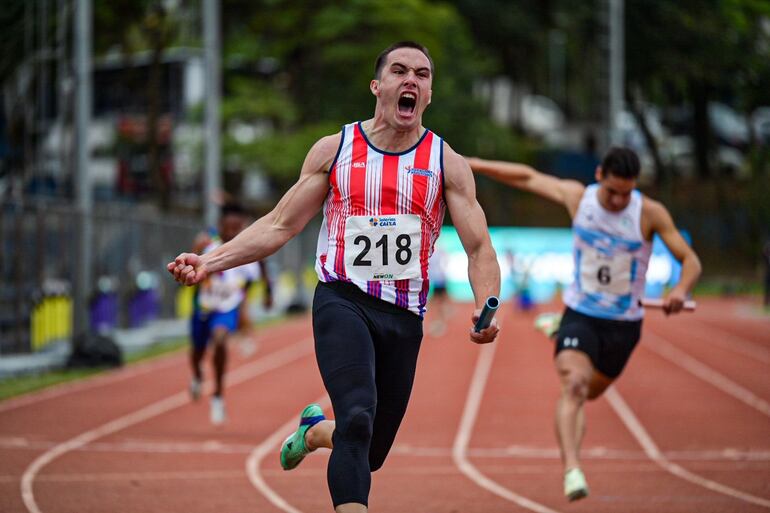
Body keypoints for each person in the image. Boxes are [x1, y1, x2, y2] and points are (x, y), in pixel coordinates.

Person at [169, 41, 500, 512]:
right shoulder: (335, 150)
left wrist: (487, 304)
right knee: (358, 419)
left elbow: (479, 247)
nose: (411, 80)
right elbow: (280, 225)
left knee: (371, 450)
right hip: (342, 300)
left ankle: (313, 433)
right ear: (377, 86)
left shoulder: (446, 163)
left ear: (429, 94)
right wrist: (210, 262)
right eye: (400, 71)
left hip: (404, 315)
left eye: (422, 74)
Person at [467, 148, 702, 502]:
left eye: (627, 193)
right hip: (582, 313)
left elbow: (690, 260)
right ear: (599, 176)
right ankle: (572, 470)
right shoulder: (580, 198)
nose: (619, 201)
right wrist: (474, 164)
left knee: (590, 391)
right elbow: (527, 177)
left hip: (623, 325)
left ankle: (558, 330)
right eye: (612, 192)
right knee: (574, 386)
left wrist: (681, 290)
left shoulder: (649, 213)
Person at [188, 202, 272, 425]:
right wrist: (196, 249)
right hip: (204, 306)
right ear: (221, 226)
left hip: (227, 307)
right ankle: (197, 375)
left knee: (220, 340)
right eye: (229, 227)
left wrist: (264, 294)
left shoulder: (245, 252)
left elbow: (257, 272)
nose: (233, 232)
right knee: (197, 352)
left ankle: (217, 395)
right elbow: (192, 269)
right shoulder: (208, 246)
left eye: (237, 228)